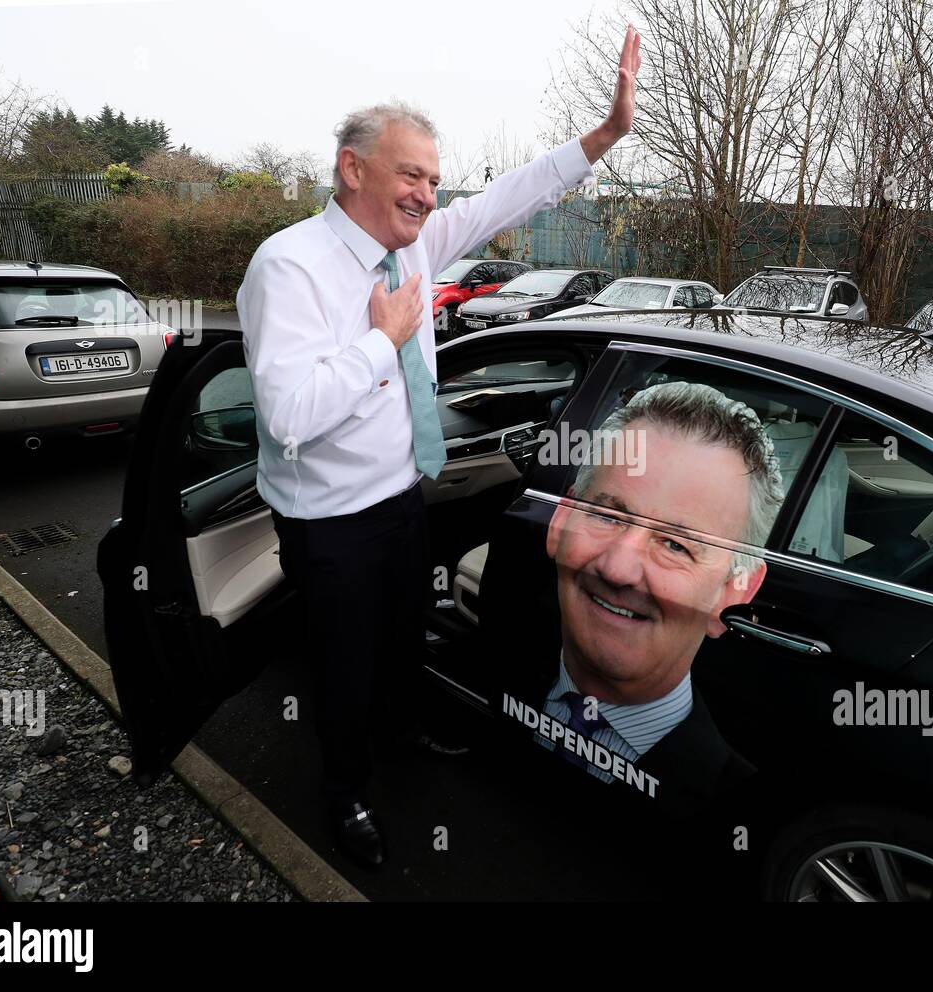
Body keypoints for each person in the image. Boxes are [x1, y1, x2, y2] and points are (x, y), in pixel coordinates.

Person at [235, 26, 643, 872]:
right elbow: (287, 415)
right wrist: (381, 341)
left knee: (400, 639)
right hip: (328, 524)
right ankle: (345, 793)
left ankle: (404, 729)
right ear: (353, 169)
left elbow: (509, 196)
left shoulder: (414, 246)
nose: (426, 194)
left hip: (399, 500)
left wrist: (600, 139)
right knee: (343, 668)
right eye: (409, 175)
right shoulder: (290, 268)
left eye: (432, 177)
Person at [525, 381, 786, 810]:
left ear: (734, 592)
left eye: (675, 545)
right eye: (609, 516)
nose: (618, 568)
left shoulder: (738, 801)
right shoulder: (498, 657)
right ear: (560, 523)